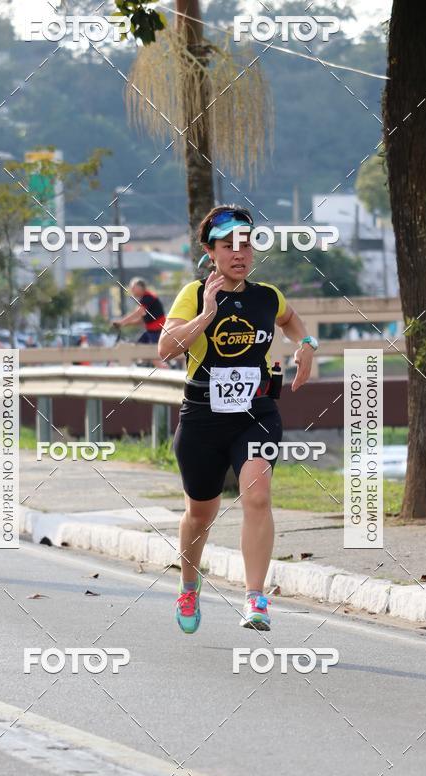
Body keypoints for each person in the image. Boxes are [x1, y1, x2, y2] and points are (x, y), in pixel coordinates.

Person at [158, 205, 319, 634]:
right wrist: (207, 313)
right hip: (203, 419)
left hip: (256, 414)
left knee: (258, 494)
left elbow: (288, 318)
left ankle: (255, 598)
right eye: (228, 246)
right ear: (211, 252)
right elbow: (165, 348)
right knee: (200, 513)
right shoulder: (193, 294)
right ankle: (189, 585)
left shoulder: (267, 295)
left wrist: (305, 343)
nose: (239, 253)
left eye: (246, 244)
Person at [112, 277, 166, 344]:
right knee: (138, 346)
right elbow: (141, 320)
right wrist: (124, 324)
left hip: (157, 332)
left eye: (133, 287)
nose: (131, 290)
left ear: (140, 287)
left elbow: (138, 313)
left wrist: (121, 322)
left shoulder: (148, 297)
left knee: (151, 351)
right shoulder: (144, 299)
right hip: (151, 331)